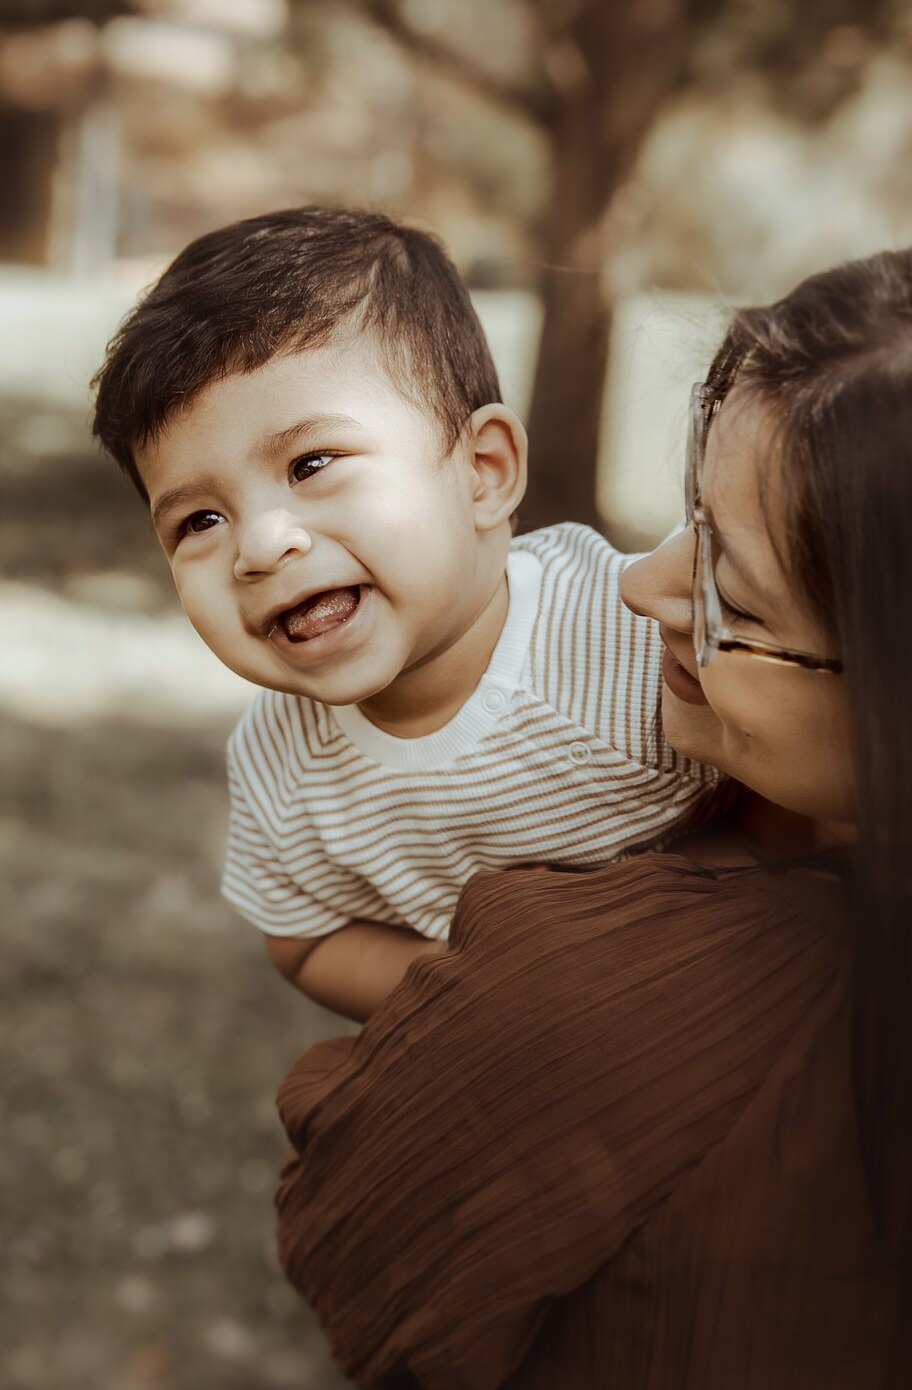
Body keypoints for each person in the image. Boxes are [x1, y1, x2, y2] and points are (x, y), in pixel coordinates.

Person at [273, 247, 912, 1387]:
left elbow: (353, 1224)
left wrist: (468, 989)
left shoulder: (603, 995)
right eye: (689, 520)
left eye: (731, 594)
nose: (641, 584)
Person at [91, 206, 720, 1021]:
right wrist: (466, 986)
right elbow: (305, 939)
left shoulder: (626, 633)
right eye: (198, 522)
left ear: (484, 472)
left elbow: (793, 788)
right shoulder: (281, 764)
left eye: (312, 463)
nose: (258, 544)